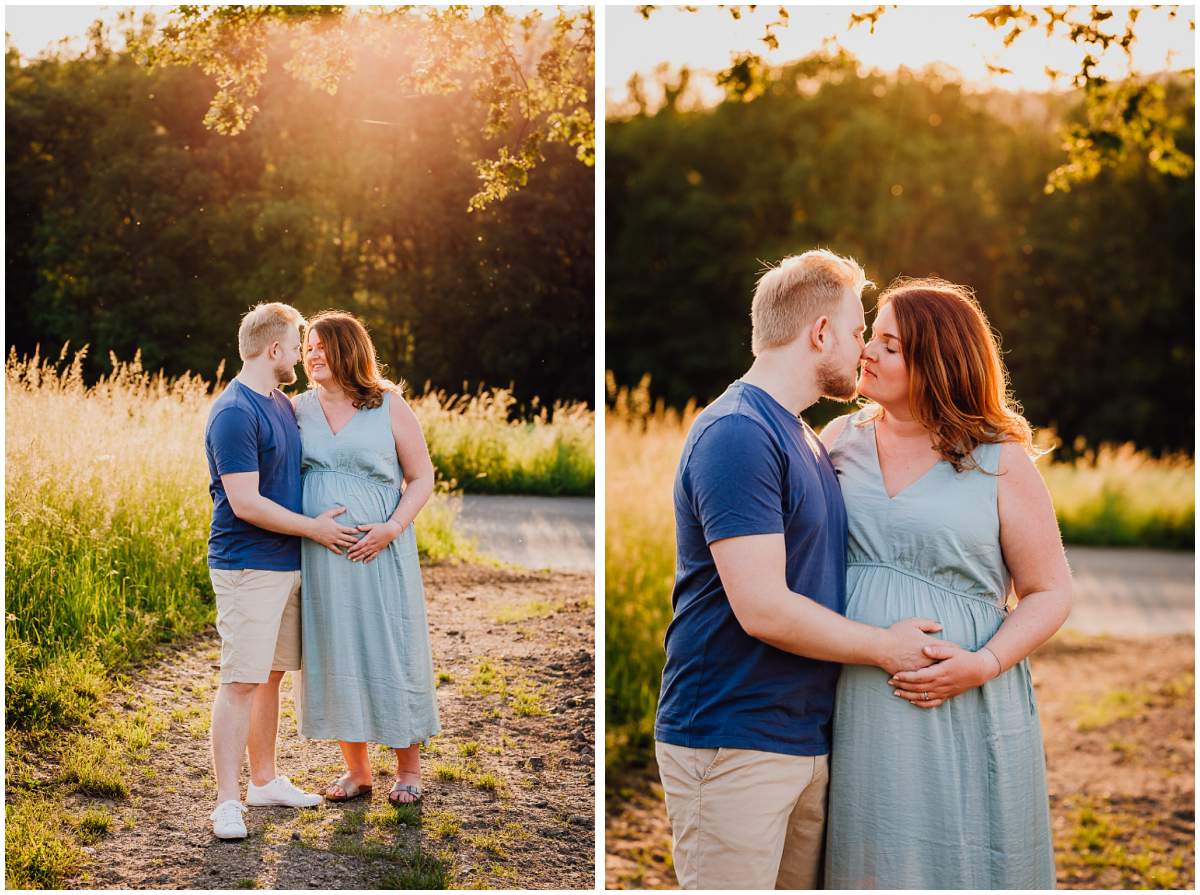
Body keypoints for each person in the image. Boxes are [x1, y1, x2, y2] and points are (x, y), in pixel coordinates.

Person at [654, 250, 953, 890]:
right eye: (854, 331)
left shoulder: (803, 437)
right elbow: (761, 606)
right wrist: (886, 648)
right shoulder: (739, 434)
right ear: (819, 333)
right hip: (732, 739)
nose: (861, 348)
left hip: (800, 739)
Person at [820, 278, 1073, 888]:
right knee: (870, 847)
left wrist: (982, 663)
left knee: (957, 852)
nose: (867, 353)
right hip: (852, 690)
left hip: (961, 694)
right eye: (870, 338)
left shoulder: (998, 458)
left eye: (890, 345)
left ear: (937, 361)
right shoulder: (836, 443)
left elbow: (1051, 591)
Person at [204, 302, 362, 840]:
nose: (299, 353)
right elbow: (245, 502)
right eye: (296, 344)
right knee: (240, 681)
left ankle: (265, 780)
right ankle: (227, 801)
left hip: (285, 563)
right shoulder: (234, 412)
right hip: (248, 565)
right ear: (273, 350)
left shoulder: (278, 402)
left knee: (270, 675)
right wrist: (314, 529)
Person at [293, 311, 441, 807]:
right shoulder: (296, 409)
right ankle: (356, 773)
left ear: (349, 350)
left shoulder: (389, 406)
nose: (311, 354)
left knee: (390, 648)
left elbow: (421, 477)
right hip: (322, 555)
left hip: (379, 551)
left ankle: (408, 770)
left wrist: (392, 528)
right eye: (307, 347)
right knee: (336, 652)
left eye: (321, 345)